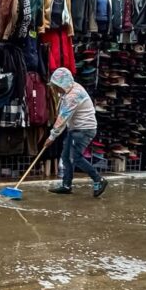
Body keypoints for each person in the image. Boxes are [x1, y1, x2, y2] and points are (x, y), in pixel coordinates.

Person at [45, 67, 107, 197]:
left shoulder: (73, 95)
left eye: (56, 86)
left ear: (62, 83)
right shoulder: (70, 90)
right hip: (76, 129)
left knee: (75, 157)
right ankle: (66, 185)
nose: (55, 89)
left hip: (84, 129)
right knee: (66, 157)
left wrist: (52, 136)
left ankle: (98, 179)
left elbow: (63, 118)